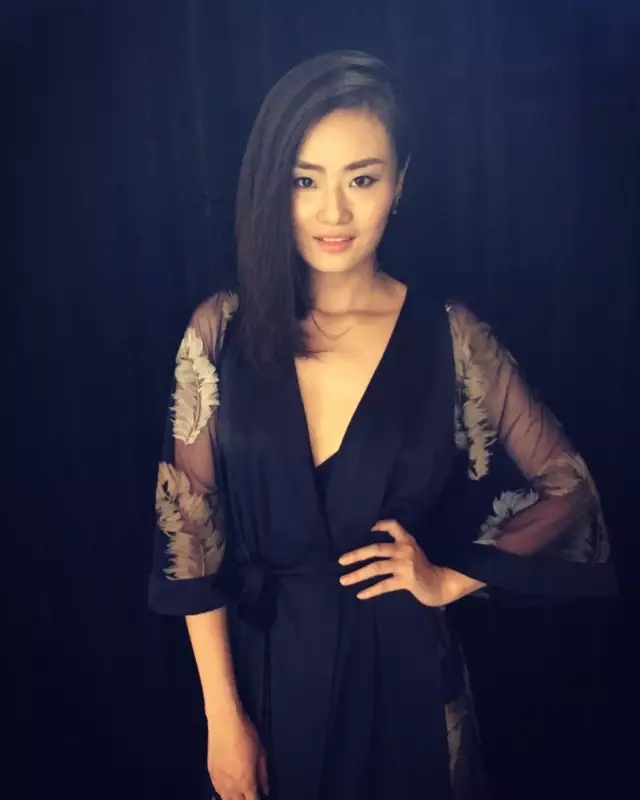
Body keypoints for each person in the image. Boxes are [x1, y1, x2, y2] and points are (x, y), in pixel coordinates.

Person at [148, 51, 616, 800]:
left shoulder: (451, 336)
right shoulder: (221, 330)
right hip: (267, 683)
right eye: (306, 180)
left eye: (361, 179)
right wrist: (222, 719)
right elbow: (191, 534)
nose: (334, 213)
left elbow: (571, 489)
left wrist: (448, 578)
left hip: (407, 681)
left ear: (401, 183)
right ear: (273, 185)